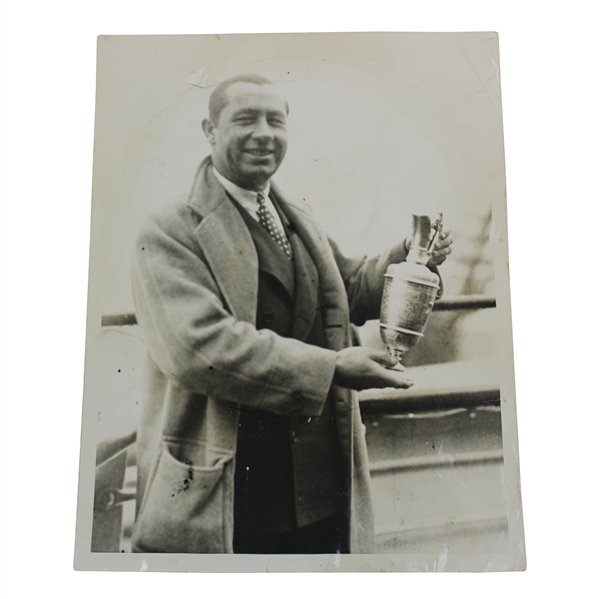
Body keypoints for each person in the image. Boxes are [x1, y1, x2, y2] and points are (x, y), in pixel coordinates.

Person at [130, 74, 452, 554]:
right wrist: (333, 366)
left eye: (275, 121)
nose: (264, 133)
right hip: (232, 488)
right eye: (245, 119)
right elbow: (199, 347)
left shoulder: (293, 215)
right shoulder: (169, 230)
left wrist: (407, 257)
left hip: (320, 484)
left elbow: (347, 292)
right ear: (210, 130)